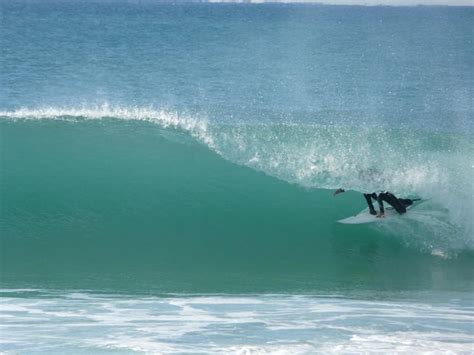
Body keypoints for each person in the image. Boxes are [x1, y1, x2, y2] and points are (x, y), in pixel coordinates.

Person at [333, 189, 416, 218]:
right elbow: (352, 185)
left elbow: (380, 197)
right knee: (366, 193)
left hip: (388, 196)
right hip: (381, 196)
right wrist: (340, 191)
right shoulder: (365, 185)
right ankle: (371, 208)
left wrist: (382, 212)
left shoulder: (376, 184)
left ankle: (406, 201)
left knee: (402, 211)